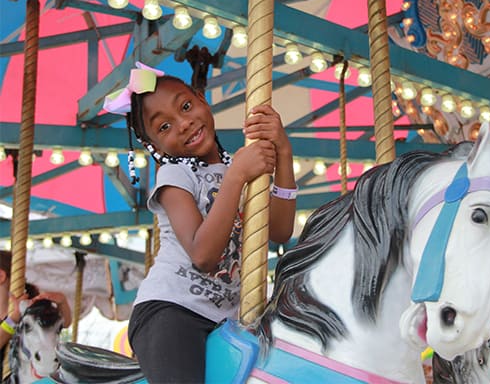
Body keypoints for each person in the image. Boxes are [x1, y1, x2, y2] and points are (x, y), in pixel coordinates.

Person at [103, 62, 297, 383]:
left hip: (229, 319)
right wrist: (236, 176)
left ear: (202, 99)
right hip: (171, 311)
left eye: (186, 106)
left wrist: (284, 152)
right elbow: (202, 254)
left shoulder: (239, 166)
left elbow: (278, 231)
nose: (183, 123)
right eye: (164, 127)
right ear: (153, 146)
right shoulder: (175, 176)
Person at [0, 250, 72, 379]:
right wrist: (13, 319)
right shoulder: (18, 314)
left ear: (1, 276)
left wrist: (62, 302)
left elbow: (64, 323)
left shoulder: (30, 309)